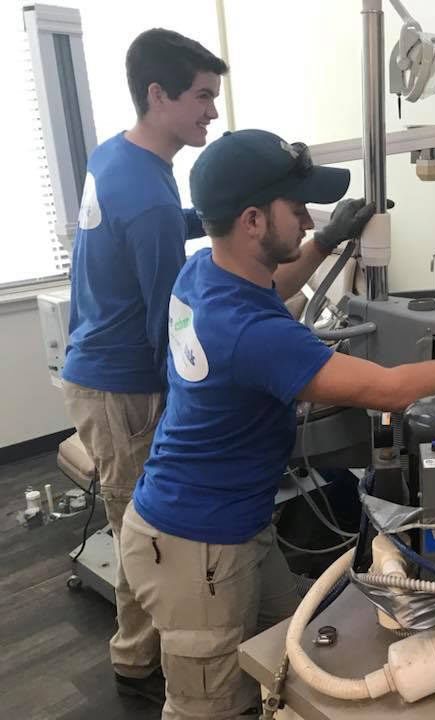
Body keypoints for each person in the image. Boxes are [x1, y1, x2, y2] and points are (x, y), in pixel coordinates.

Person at [119, 128, 435, 719]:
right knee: (205, 707)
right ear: (254, 220)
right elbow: (388, 391)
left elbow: (272, 288)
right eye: (298, 209)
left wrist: (324, 245)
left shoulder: (203, 274)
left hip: (220, 522)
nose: (310, 221)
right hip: (197, 548)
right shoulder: (250, 334)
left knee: (289, 652)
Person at [60, 28, 228, 704]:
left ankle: (139, 644)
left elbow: (153, 229)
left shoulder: (117, 157)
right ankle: (136, 659)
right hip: (120, 384)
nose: (211, 113)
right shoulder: (152, 199)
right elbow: (173, 319)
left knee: (131, 513)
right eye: (202, 97)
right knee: (143, 526)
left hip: (89, 365)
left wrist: (215, 216)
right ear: (157, 95)